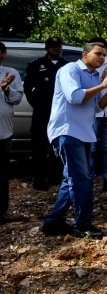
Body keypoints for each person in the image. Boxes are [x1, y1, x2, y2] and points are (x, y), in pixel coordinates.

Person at [42, 42, 107, 239]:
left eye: (104, 55)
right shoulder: (70, 69)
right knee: (81, 178)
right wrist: (103, 84)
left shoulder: (95, 76)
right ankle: (82, 224)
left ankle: (53, 221)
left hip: (85, 132)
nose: (102, 58)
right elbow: (74, 97)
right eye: (98, 53)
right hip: (67, 131)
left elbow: (98, 107)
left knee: (72, 178)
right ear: (85, 54)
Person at [24, 36, 69, 191]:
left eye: (58, 46)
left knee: (57, 147)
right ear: (46, 48)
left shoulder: (67, 66)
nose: (55, 48)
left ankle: (55, 177)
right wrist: (38, 105)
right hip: (42, 113)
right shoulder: (36, 65)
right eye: (52, 46)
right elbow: (28, 89)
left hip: (61, 114)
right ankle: (39, 179)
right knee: (39, 148)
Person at [87, 36, 107, 192]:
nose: (101, 55)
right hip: (93, 112)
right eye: (97, 50)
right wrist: (102, 82)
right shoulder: (88, 68)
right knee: (91, 148)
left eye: (103, 51)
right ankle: (88, 180)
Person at [0, 42, 26, 223]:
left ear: (3, 54)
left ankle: (2, 212)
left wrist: (6, 88)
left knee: (2, 174)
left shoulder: (11, 73)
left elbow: (17, 99)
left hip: (4, 132)